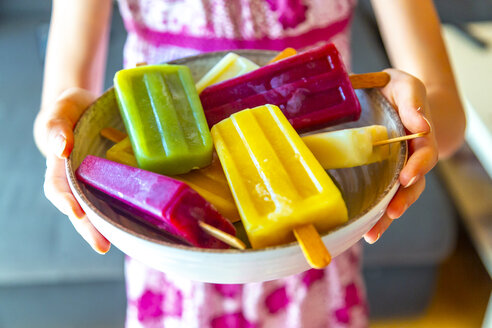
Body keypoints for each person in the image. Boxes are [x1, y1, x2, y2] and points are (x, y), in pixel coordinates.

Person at [34, 0, 465, 326]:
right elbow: (55, 115)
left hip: (319, 249)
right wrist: (64, 137)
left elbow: (449, 115)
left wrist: (412, 116)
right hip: (172, 254)